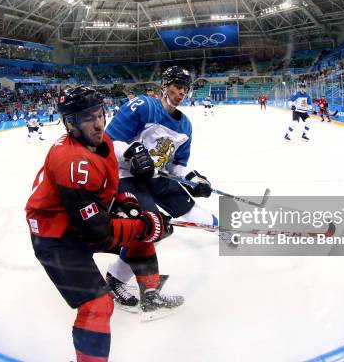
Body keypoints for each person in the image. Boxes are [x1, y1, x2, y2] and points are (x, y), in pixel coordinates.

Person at [25, 87, 174, 362]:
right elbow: (98, 233)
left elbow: (108, 186)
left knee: (142, 236)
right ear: (70, 123)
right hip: (55, 235)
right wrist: (144, 224)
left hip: (78, 219)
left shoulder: (99, 142)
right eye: (86, 117)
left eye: (99, 114)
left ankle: (149, 296)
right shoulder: (72, 161)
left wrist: (129, 203)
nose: (97, 123)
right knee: (97, 305)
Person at [104, 66, 217, 312]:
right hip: (126, 175)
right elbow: (108, 142)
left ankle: (224, 229)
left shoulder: (185, 126)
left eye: (185, 89)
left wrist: (193, 178)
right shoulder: (144, 106)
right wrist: (131, 152)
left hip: (156, 176)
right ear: (164, 86)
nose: (180, 93)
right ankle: (116, 279)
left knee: (190, 209)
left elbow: (176, 166)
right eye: (176, 87)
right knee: (150, 226)